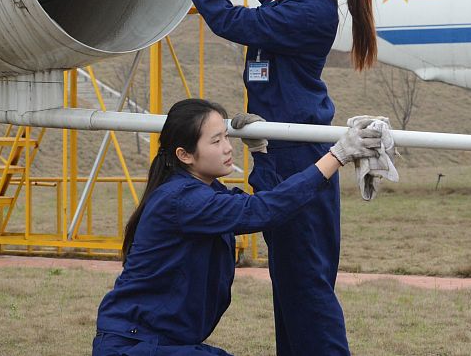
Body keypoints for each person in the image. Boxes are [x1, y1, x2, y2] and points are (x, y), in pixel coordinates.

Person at [159, 0, 377, 356]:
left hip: (300, 153)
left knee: (306, 282)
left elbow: (232, 21)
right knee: (289, 279)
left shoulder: (312, 10)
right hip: (274, 149)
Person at [94, 99, 381, 355]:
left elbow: (267, 207)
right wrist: (337, 156)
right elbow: (262, 210)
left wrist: (261, 153)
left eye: (227, 137)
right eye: (216, 141)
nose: (228, 148)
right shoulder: (181, 201)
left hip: (164, 343)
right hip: (133, 345)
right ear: (185, 155)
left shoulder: (204, 194)